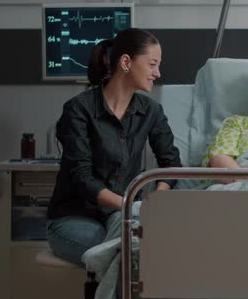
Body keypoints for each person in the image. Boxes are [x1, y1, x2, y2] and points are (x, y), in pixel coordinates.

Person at [46, 28, 182, 267]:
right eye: (152, 64)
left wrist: (154, 205)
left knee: (133, 246)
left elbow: (170, 164)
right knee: (126, 252)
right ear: (126, 62)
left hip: (121, 216)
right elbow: (82, 178)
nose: (157, 73)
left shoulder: (151, 111)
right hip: (74, 217)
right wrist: (131, 205)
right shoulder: (79, 110)